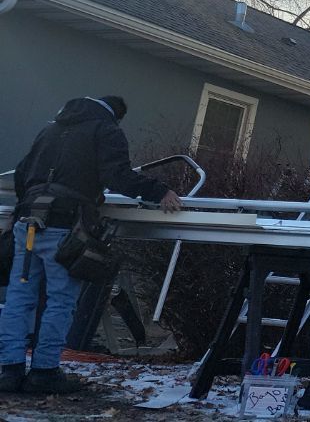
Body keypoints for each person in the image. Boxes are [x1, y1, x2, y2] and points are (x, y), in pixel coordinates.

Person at [1, 96, 182, 395]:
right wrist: (159, 191)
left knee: (20, 298)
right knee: (60, 300)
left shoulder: (50, 130)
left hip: (28, 223)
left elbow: (23, 174)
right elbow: (117, 176)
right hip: (65, 228)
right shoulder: (106, 130)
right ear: (116, 116)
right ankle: (44, 372)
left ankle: (9, 371)